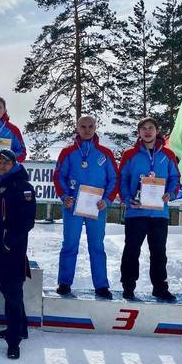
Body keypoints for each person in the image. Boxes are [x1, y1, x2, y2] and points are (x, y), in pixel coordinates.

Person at [53, 115, 118, 299]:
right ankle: (64, 283)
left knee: (97, 246)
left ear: (96, 127)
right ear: (77, 127)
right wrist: (65, 196)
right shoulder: (67, 152)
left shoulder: (105, 153)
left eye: (90, 126)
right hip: (73, 206)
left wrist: (107, 200)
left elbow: (114, 179)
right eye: (83, 126)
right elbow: (59, 176)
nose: (87, 130)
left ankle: (101, 285)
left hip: (97, 207)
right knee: (69, 245)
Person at [118, 117, 180, 301]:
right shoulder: (129, 154)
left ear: (157, 130)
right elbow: (122, 179)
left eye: (150, 128)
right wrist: (128, 200)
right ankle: (128, 286)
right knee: (131, 250)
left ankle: (160, 287)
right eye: (143, 128)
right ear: (139, 132)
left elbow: (175, 179)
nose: (147, 131)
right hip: (136, 212)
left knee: (159, 252)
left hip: (159, 213)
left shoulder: (168, 155)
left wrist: (170, 194)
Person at [0, 149, 36, 360]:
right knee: (6, 290)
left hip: (13, 250)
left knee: (13, 293)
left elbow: (27, 221)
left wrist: (9, 240)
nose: (1, 166)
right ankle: (21, 327)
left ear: (14, 164)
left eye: (6, 162)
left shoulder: (24, 187)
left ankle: (13, 342)